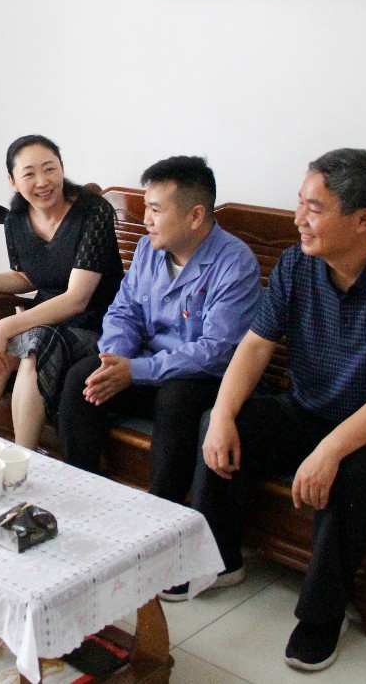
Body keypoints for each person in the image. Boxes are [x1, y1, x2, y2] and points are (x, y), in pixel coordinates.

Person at [193, 148, 366, 672]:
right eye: (300, 203)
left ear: (363, 219)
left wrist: (329, 450)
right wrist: (222, 415)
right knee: (222, 424)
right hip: (307, 407)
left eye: (314, 208)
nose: (298, 219)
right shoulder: (296, 264)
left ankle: (322, 616)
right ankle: (220, 560)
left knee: (352, 477)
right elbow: (256, 345)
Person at [56, 155, 260, 602]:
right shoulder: (151, 250)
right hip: (146, 368)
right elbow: (124, 310)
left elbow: (216, 351)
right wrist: (114, 359)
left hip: (204, 381)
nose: (145, 219)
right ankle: (81, 506)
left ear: (195, 215)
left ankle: (162, 535)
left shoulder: (234, 263)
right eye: (146, 208)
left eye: (155, 209)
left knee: (178, 399)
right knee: (83, 378)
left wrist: (136, 370)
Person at [0, 135, 123, 448]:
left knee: (33, 348)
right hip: (46, 322)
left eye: (50, 169)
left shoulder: (94, 212)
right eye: (29, 173)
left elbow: (77, 299)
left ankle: (24, 457)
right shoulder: (16, 221)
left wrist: (4, 326)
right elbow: (28, 276)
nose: (42, 181)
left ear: (62, 169)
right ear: (13, 181)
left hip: (95, 326)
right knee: (1, 348)